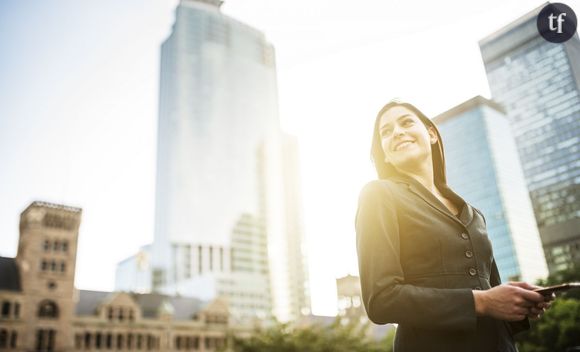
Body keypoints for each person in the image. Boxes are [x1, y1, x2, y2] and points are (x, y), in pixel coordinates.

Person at [355, 100, 552, 352]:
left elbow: (492, 291)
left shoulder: (474, 214)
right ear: (384, 153)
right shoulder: (378, 195)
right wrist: (480, 302)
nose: (397, 132)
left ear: (431, 134)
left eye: (406, 122)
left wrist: (519, 303)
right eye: (386, 131)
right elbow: (381, 300)